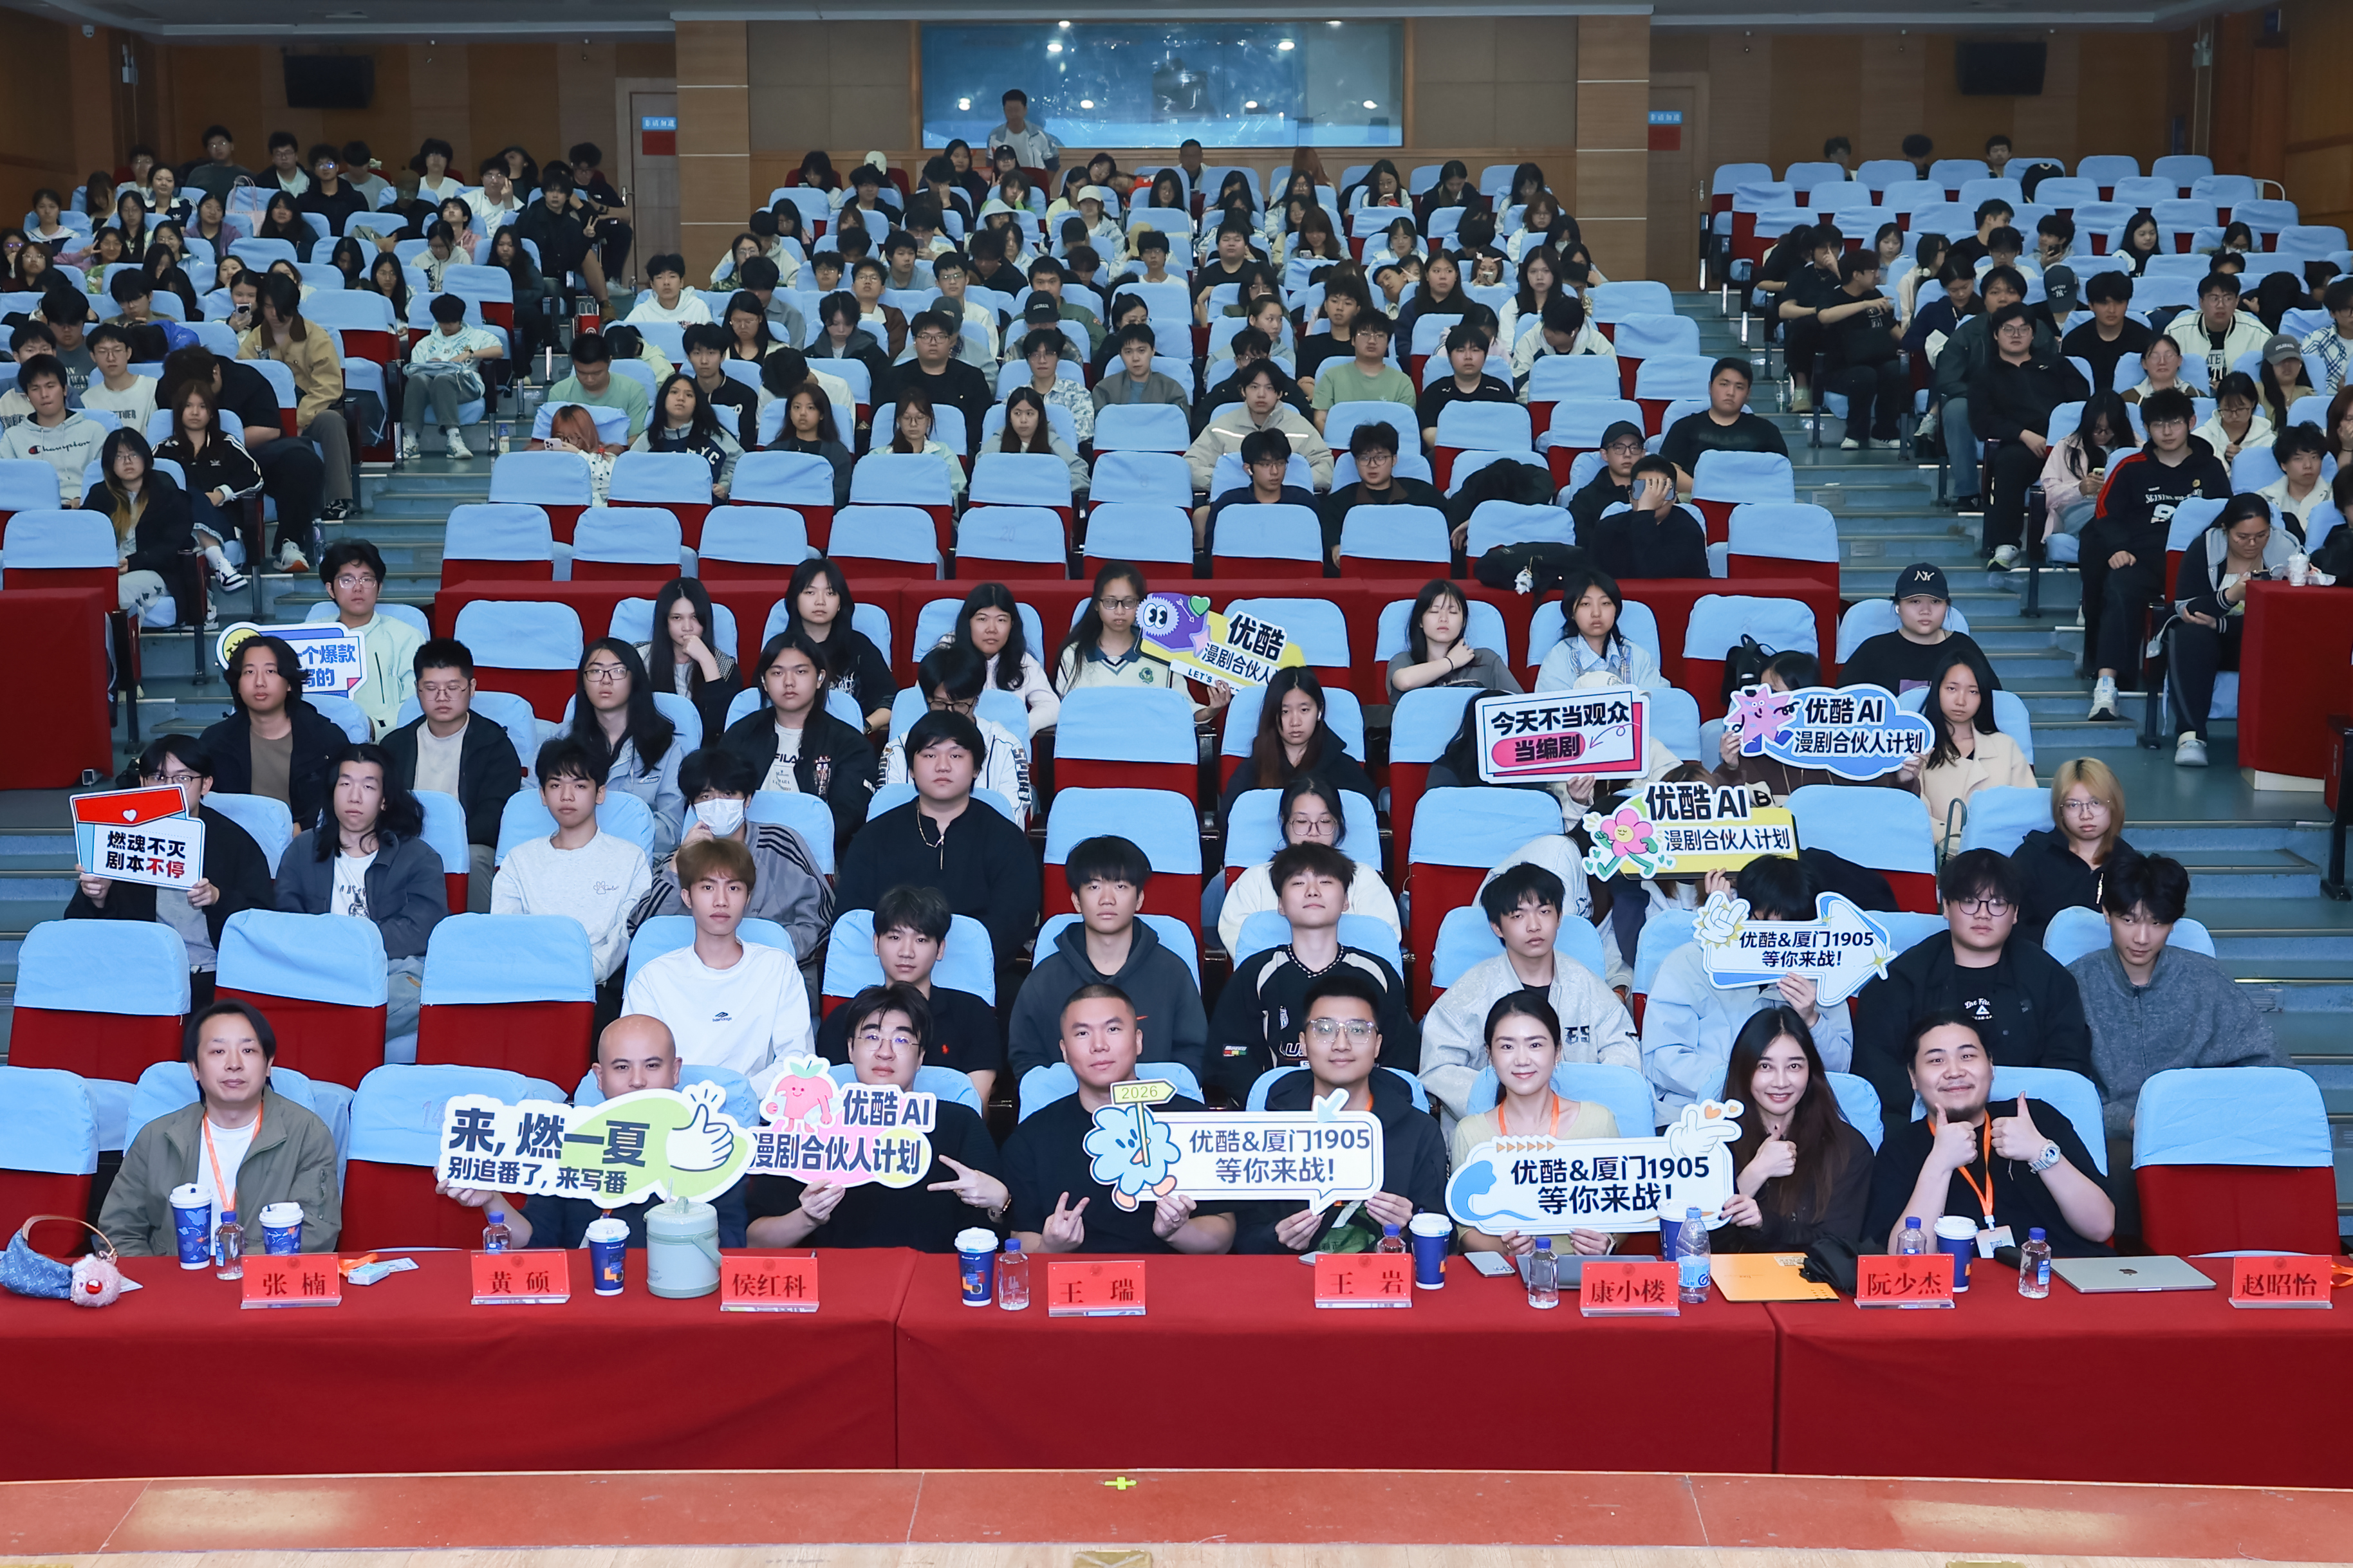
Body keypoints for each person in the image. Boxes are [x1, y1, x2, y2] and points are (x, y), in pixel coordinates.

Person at [2070, 853, 2280, 1227]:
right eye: (2128, 920)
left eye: (2157, 923)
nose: (2141, 937)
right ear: (2106, 913)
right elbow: (2064, 1083)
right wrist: (2126, 1120)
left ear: (2173, 923)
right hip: (2115, 1134)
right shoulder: (2075, 984)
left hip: (2200, 1128)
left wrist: (2205, 1113)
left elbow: (2267, 1065)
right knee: (2119, 1169)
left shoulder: (2205, 980)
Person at [442, 1015, 749, 1249]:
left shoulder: (713, 1146)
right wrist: (491, 1199)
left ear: (675, 1071)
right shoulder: (567, 1141)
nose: (638, 1081)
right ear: (600, 1077)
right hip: (588, 1297)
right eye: (622, 1067)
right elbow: (535, 1240)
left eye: (652, 1066)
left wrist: (684, 1179)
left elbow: (730, 1247)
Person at [749, 982, 1009, 1250]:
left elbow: (997, 1237)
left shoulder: (960, 1123)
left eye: (902, 1040)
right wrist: (807, 1217)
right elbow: (755, 1241)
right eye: (872, 1037)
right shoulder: (803, 1127)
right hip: (834, 1274)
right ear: (851, 1049)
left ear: (921, 1057)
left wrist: (1000, 1203)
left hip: (934, 1273)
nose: (885, 1052)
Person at [1852, 847, 2097, 1126]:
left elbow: (2067, 1068)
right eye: (1969, 901)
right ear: (1946, 907)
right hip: (1925, 1125)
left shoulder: (2050, 978)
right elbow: (1877, 1070)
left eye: (1998, 903)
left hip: (2030, 1123)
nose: (1983, 914)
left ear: (2015, 913)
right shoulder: (1900, 980)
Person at [1001, 984, 1235, 1256]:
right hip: (1074, 1278)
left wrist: (1176, 1231)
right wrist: (1051, 1248)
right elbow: (1022, 1240)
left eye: (1113, 1029)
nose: (1099, 1045)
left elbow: (1223, 1236)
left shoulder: (1195, 1123)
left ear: (1138, 1041)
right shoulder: (1030, 1139)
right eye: (1082, 1033)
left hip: (1175, 1276)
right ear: (1064, 1051)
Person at [100, 1000, 342, 1256]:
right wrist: (159, 1278)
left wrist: (236, 1270)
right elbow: (118, 1232)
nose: (234, 1064)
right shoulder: (156, 1137)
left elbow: (316, 1233)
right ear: (195, 1068)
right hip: (177, 1278)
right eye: (218, 1051)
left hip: (266, 1280)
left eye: (248, 1050)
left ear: (268, 1064)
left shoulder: (308, 1134)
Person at [1236, 967, 1450, 1255]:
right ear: (1303, 1044)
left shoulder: (1419, 1131)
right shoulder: (1270, 1128)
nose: (1341, 1044)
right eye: (1324, 1030)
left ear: (1377, 1045)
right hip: (1287, 1277)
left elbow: (1445, 1240)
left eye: (1358, 1030)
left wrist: (1408, 1229)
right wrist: (1275, 1238)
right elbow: (1240, 1238)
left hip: (1383, 1279)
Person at [1865, 1012, 2115, 1256]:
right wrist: (1939, 1165)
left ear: (1991, 1066)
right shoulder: (1900, 1149)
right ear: (1913, 1078)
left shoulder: (2036, 1119)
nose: (1954, 1071)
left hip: (2060, 1275)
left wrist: (2040, 1152)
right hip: (1962, 1282)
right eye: (1937, 1060)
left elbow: (2100, 1228)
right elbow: (1904, 1262)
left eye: (1967, 1056)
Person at [1641, 852, 1859, 1116]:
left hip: (1795, 1115)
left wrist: (1812, 1020)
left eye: (1790, 928)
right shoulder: (1689, 963)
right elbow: (1663, 1060)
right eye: (1762, 923)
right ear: (1740, 910)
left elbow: (1840, 1070)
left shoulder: (1821, 971)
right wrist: (1746, 1084)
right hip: (1701, 1111)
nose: (1775, 939)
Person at [1422, 862, 1637, 1128]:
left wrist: (1574, 1106)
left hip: (1577, 1133)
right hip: (1496, 1134)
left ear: (1559, 917)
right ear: (1497, 927)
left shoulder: (1589, 989)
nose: (1534, 926)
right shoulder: (1468, 995)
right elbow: (1438, 1070)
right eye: (1518, 916)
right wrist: (1510, 1101)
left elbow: (1625, 1060)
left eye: (1544, 912)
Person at [68, 735, 275, 1009]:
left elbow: (264, 918)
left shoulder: (234, 841)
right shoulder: (119, 838)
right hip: (140, 975)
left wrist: (217, 898)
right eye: (158, 777)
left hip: (215, 975)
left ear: (206, 785)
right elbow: (78, 930)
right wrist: (98, 898)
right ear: (142, 783)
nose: (169, 788)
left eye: (183, 779)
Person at [1207, 842, 1418, 1102]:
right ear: (1281, 904)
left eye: (1326, 882)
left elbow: (1401, 1058)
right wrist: (1271, 1103)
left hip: (1364, 1113)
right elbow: (1231, 1054)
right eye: (1298, 883)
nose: (1313, 891)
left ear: (1346, 901)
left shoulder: (1378, 974)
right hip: (1278, 1111)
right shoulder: (1255, 973)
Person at [837, 710, 1039, 966]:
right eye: (930, 755)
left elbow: (1013, 921)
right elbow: (853, 917)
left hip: (977, 973)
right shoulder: (874, 837)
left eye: (956, 755)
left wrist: (956, 964)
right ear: (911, 768)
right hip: (887, 975)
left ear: (976, 768)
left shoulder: (1007, 839)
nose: (943, 766)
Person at [274, 742, 447, 1039]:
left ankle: (329, 1028)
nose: (354, 796)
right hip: (318, 965)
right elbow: (287, 918)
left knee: (417, 993)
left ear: (384, 800)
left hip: (390, 969)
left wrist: (351, 945)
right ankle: (342, 1026)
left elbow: (420, 930)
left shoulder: (419, 858)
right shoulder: (302, 850)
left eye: (368, 787)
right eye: (345, 784)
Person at [1008, 833, 1208, 1083]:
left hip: (1155, 1105)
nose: (1107, 899)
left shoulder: (1173, 972)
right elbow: (1026, 1058)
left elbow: (1193, 1056)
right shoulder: (1044, 979)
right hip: (1068, 1105)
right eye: (1094, 887)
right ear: (1076, 901)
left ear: (1140, 899)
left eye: (1120, 886)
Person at [2080, 389, 2231, 717]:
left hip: (2197, 564)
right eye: (2158, 424)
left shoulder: (2211, 469)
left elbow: (2225, 517)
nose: (2167, 431)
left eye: (2174, 422)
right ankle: (2107, 684)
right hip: (2142, 560)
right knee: (2119, 587)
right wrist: (2118, 548)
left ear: (2191, 422)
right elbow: (2105, 513)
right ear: (2147, 428)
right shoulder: (2130, 467)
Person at [629, 745, 830, 975]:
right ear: (693, 806)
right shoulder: (681, 857)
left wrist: (769, 954)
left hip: (777, 974)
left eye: (728, 794)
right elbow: (642, 930)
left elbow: (821, 919)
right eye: (706, 796)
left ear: (747, 799)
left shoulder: (782, 844)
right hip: (698, 979)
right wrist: (678, 865)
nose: (717, 803)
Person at [621, 835, 811, 1078]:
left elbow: (797, 1058)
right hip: (675, 1098)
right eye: (708, 888)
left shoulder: (778, 968)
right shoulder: (652, 978)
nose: (721, 901)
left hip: (755, 1099)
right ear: (687, 897)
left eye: (733, 888)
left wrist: (743, 1093)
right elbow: (635, 1062)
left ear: (748, 898)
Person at [1450, 992, 1622, 1258]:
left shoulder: (1598, 1122)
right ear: (1489, 1055)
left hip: (1582, 1273)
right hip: (1507, 1275)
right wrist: (1503, 1248)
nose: (1522, 1060)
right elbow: (1466, 1230)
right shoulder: (1470, 1133)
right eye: (1507, 1047)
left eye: (1535, 1045)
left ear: (1557, 1051)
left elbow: (1626, 1210)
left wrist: (1607, 1242)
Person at [1703, 1006, 1874, 1252]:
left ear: (1811, 1071)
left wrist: (1766, 1224)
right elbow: (1695, 1244)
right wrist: (1755, 1173)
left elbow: (1838, 1247)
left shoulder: (1848, 1148)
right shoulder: (1709, 1144)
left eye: (1794, 1067)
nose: (1781, 1082)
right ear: (1744, 1069)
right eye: (1765, 1067)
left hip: (1812, 1277)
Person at [490, 739, 651, 988]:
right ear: (543, 795)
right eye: (555, 785)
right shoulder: (518, 861)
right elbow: (507, 933)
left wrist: (580, 975)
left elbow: (623, 936)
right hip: (528, 985)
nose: (566, 796)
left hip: (595, 986)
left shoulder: (631, 859)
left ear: (600, 793)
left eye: (579, 785)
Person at [814, 885, 1000, 1096]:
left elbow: (975, 1103)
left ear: (940, 949)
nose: (906, 952)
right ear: (876, 943)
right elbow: (828, 1099)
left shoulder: (973, 1015)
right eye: (895, 938)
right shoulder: (844, 1018)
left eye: (921, 940)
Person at [378, 638, 519, 915]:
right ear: (417, 690)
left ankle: (474, 934)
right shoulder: (395, 746)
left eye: (453, 688)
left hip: (467, 844)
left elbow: (494, 817)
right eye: (431, 688)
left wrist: (445, 841)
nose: (442, 697)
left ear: (472, 688)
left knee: (476, 858)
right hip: (404, 842)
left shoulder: (494, 745)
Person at [2168, 492, 2296, 768]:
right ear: (2226, 529)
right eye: (2242, 537)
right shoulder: (2204, 547)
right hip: (2209, 641)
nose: (2252, 544)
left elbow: (2286, 615)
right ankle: (2191, 737)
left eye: (2261, 535)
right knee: (2189, 634)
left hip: (2262, 640)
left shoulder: (2287, 551)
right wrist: (2230, 596)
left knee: (2292, 640)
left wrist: (2222, 623)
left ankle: (2281, 738)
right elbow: (2187, 608)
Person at [1215, 775, 1400, 955]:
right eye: (1302, 822)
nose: (1313, 832)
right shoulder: (1254, 880)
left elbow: (1384, 939)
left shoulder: (1364, 878)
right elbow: (1241, 944)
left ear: (1337, 824)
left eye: (1325, 821)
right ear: (1285, 822)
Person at [1971, 304, 2091, 568]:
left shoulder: (2056, 364)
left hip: (2068, 444)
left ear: (2033, 334)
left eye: (2023, 329)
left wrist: (2063, 439)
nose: (2016, 335)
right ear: (1996, 334)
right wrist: (2023, 434)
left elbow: (2082, 404)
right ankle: (2008, 545)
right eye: (2008, 329)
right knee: (2009, 463)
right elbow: (1983, 421)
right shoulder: (1985, 375)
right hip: (2024, 446)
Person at [200, 634, 349, 827]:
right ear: (238, 685)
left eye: (270, 671)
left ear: (289, 683)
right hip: (237, 841)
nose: (259, 682)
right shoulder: (214, 742)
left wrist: (303, 829)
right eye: (249, 672)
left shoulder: (328, 739)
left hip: (311, 840)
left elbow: (342, 800)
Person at [239, 274, 353, 524]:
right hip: (267, 414)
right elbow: (243, 381)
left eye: (280, 308)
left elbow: (329, 386)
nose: (274, 314)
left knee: (332, 421)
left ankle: (339, 498)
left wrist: (299, 418)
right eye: (268, 307)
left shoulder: (317, 337)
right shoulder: (254, 340)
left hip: (310, 407)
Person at [881, 643, 1034, 826]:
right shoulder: (897, 750)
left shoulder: (1007, 747)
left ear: (976, 699)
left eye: (960, 705)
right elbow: (887, 819)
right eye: (939, 704)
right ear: (926, 700)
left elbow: (1012, 822)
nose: (950, 713)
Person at [1213, 667, 1377, 835]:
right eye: (1285, 712)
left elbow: (1365, 829)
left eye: (1304, 710)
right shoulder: (1252, 770)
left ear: (1320, 711)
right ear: (1273, 715)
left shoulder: (1345, 768)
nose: (1295, 722)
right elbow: (1230, 827)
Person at [564, 639, 684, 856]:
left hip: (639, 857)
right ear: (583, 682)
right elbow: (534, 808)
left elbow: (672, 829)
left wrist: (605, 831)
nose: (606, 680)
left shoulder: (665, 746)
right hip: (568, 855)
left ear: (635, 680)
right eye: (595, 671)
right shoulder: (562, 743)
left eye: (617, 671)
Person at [1912, 642, 2033, 856]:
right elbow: (1911, 812)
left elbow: (2026, 810)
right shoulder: (1917, 746)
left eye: (1973, 691)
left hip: (1998, 856)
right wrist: (1951, 842)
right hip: (1933, 856)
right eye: (1952, 689)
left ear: (1983, 697)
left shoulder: (2006, 746)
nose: (1961, 700)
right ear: (1937, 690)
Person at [2009, 757, 2138, 945]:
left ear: (2114, 805)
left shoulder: (2133, 866)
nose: (2086, 815)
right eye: (2073, 805)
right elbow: (2012, 927)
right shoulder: (2030, 858)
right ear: (2060, 810)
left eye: (2096, 803)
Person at [81, 425, 192, 625]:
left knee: (117, 590)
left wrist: (135, 562)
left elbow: (173, 544)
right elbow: (83, 537)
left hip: (157, 572)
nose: (127, 461)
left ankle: (114, 645)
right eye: (119, 456)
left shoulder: (165, 490)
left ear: (145, 457)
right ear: (110, 463)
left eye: (133, 454)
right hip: (109, 571)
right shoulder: (99, 495)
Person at [1836, 562, 1996, 699]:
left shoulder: (1964, 648)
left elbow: (1993, 703)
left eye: (1935, 602)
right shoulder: (1873, 650)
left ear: (1947, 607)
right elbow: (1843, 706)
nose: (1925, 610)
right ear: (1898, 607)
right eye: (1915, 601)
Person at [313, 540, 421, 741]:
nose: (358, 588)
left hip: (386, 742)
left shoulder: (406, 636)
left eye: (367, 579)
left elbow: (418, 699)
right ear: (330, 589)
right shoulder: (310, 635)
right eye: (347, 580)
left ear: (379, 587)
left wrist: (375, 726)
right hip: (319, 742)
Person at [1184, 358, 1334, 498]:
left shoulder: (1301, 428)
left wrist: (1281, 482)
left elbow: (1326, 469)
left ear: (1280, 394)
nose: (1261, 394)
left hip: (1288, 502)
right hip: (1234, 501)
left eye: (1269, 388)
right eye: (1254, 387)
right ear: (1243, 391)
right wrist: (1228, 481)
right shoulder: (1221, 427)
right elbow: (1190, 466)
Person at [1319, 417, 1447, 567]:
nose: (1372, 465)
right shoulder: (1338, 503)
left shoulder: (1424, 494)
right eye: (1364, 458)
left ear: (1394, 460)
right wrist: (1335, 546)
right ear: (1355, 462)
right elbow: (1329, 536)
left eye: (1380, 457)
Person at [936, 582, 1059, 735]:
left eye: (1001, 620)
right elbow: (921, 702)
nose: (992, 629)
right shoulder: (944, 656)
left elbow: (1052, 706)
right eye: (982, 619)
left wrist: (1022, 727)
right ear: (968, 622)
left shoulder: (1022, 661)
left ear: (1012, 625)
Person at [1659, 358, 1787, 495]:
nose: (1731, 393)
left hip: (1752, 499)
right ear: (1710, 387)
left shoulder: (1767, 431)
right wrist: (1708, 492)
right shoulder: (1684, 427)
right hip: (1694, 498)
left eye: (1739, 387)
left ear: (1748, 394)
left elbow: (1779, 474)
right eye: (1724, 384)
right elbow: (1667, 470)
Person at [400, 293, 503, 463]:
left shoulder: (476, 336)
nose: (447, 326)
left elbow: (498, 351)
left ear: (460, 319)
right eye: (442, 322)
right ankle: (411, 439)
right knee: (417, 380)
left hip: (465, 385)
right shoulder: (425, 343)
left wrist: (469, 354)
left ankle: (454, 438)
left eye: (451, 322)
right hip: (430, 384)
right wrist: (429, 365)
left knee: (443, 379)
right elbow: (414, 369)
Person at [636, 577, 740, 745]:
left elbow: (723, 729)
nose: (687, 627)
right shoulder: (639, 658)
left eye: (695, 617)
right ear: (665, 621)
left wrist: (707, 661)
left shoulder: (726, 666)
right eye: (677, 618)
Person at [1536, 567, 1668, 692]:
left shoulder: (1637, 656)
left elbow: (1659, 701)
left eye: (1605, 603)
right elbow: (1550, 706)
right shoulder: (1558, 659)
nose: (1596, 613)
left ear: (1616, 611)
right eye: (1585, 604)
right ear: (1571, 613)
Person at [1386, 578, 1520, 701]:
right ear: (1420, 621)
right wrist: (1450, 662)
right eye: (1434, 611)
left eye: (1453, 612)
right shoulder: (1404, 661)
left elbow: (1520, 704)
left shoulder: (1486, 660)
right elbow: (1405, 682)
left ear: (1463, 622)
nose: (1443, 618)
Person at [1580, 452, 1709, 579]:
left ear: (1674, 497)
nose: (1652, 497)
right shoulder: (1608, 529)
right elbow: (1594, 580)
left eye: (1661, 489)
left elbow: (1654, 573)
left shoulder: (1688, 529)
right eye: (1643, 489)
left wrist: (1645, 512)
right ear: (1630, 495)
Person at [2037, 392, 2134, 560]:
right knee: (2106, 525)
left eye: (2109, 430)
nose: (2102, 435)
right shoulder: (2065, 447)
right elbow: (2048, 495)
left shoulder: (2137, 450)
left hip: (2123, 512)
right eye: (2097, 429)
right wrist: (2079, 489)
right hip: (2079, 511)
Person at [0, 355, 105, 504]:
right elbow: (8, 485)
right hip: (34, 510)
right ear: (27, 396)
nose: (44, 395)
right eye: (35, 389)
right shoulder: (13, 437)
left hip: (88, 507)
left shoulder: (94, 431)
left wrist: (85, 501)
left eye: (50, 386)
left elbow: (107, 479)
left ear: (64, 389)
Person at [1199, 425, 1321, 553]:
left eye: (1280, 463)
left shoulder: (1304, 502)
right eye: (1266, 465)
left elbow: (1320, 548)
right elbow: (1212, 550)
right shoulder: (1228, 504)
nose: (1275, 472)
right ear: (1248, 469)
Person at [1309, 311, 1416, 433]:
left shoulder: (1403, 382)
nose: (1372, 341)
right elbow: (1320, 419)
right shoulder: (1331, 376)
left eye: (1380, 336)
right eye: (1365, 334)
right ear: (1353, 340)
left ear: (1388, 343)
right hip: (1339, 443)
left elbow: (1405, 425)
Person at [1414, 322, 1514, 448]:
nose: (1468, 357)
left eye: (1475, 350)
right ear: (1449, 356)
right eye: (1461, 351)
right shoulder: (1435, 392)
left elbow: (1512, 431)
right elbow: (1429, 434)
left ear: (1485, 355)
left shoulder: (1500, 391)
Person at [2166, 272, 2269, 392]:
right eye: (2214, 299)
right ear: (2201, 302)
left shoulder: (2259, 334)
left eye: (2228, 299)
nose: (2221, 305)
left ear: (2237, 301)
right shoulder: (2176, 331)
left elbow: (2271, 379)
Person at [2060, 270, 2153, 398]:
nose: (2112, 310)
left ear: (2127, 304)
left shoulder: (2146, 340)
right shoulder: (2073, 342)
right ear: (2091, 305)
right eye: (2104, 303)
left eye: (2119, 302)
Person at [540, 333, 649, 442]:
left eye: (597, 373)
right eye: (582, 373)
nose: (590, 379)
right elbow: (553, 438)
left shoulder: (633, 392)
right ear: (574, 364)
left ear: (609, 362)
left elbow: (635, 439)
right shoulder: (559, 392)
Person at [1090, 323, 1189, 414]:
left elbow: (1180, 424)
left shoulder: (1171, 390)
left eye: (1141, 351)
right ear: (1120, 354)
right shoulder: (1104, 390)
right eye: (1128, 352)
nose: (1135, 358)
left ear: (1153, 351)